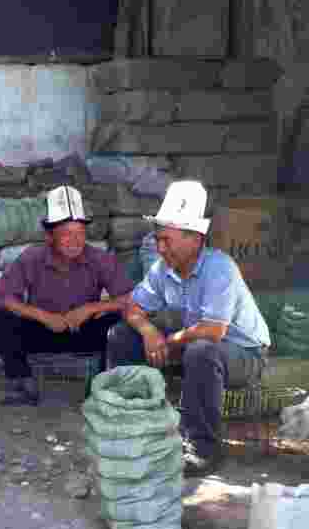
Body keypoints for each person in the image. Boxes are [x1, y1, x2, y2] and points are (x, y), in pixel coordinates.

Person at [107, 180, 270, 477]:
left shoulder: (220, 268)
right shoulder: (162, 269)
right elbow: (132, 307)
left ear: (195, 238)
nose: (159, 246)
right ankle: (134, 425)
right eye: (158, 239)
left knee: (201, 351)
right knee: (122, 335)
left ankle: (203, 447)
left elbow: (213, 331)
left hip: (246, 354)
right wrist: (149, 331)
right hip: (195, 345)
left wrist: (170, 342)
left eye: (167, 240)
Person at [0, 186, 134, 406]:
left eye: (80, 233)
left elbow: (130, 298)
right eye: (66, 234)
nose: (75, 241)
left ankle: (102, 384)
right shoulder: (32, 258)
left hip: (82, 333)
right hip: (41, 332)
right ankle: (23, 383)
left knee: (122, 324)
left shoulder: (100, 259)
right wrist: (44, 317)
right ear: (49, 236)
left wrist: (90, 309)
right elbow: (3, 298)